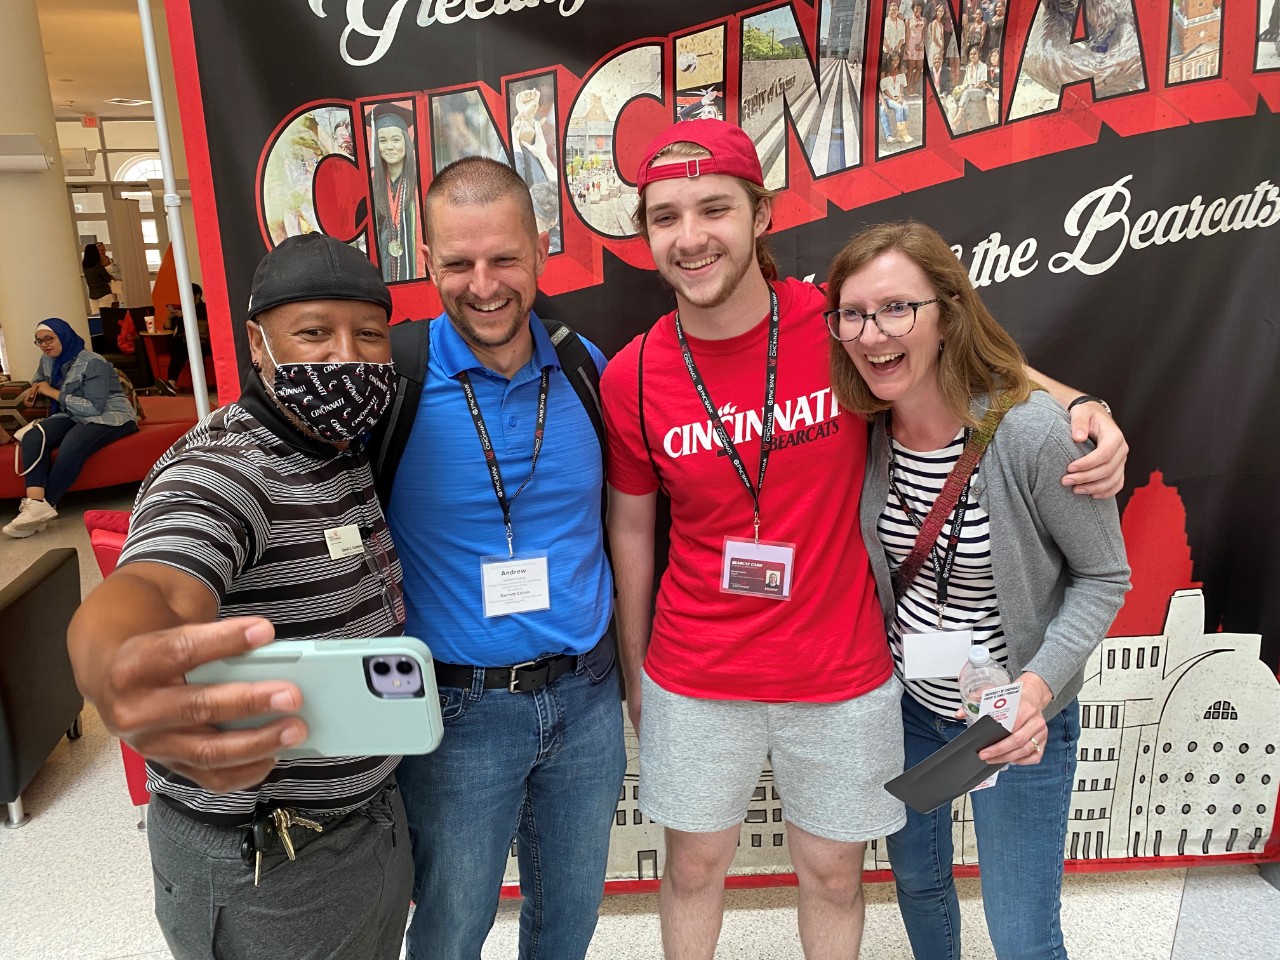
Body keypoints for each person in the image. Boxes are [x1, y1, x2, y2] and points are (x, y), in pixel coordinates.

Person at [601, 119, 1127, 960]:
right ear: (645, 232)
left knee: (836, 875)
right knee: (693, 868)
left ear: (760, 214)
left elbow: (965, 355)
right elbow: (632, 528)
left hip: (842, 669)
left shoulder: (834, 321)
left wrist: (1081, 406)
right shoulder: (630, 374)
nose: (691, 238)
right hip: (695, 670)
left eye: (713, 209)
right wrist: (634, 671)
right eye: (665, 216)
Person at [65, 233, 412, 960]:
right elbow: (154, 583)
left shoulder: (342, 448)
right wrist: (119, 659)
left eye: (369, 334)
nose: (345, 355)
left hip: (368, 830)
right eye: (313, 332)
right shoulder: (227, 469)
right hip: (270, 866)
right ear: (258, 344)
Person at [825, 220, 1131, 960]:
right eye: (854, 315)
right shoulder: (860, 433)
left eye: (898, 308)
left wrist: (1034, 688)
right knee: (920, 891)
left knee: (1021, 931)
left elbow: (1104, 577)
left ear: (948, 315)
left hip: (1014, 715)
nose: (872, 334)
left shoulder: (1032, 434)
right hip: (910, 709)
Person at [387, 156, 626, 960]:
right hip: (457, 715)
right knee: (450, 928)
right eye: (457, 263)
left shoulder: (585, 365)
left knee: (569, 922)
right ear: (427, 262)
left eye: (504, 259)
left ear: (542, 249)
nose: (483, 284)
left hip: (588, 699)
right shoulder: (394, 380)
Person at [4, 318, 139, 538]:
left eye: (50, 339)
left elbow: (94, 408)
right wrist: (37, 387)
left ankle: (44, 506)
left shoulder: (93, 362)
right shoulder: (47, 360)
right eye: (39, 341)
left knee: (73, 443)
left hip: (111, 417)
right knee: (34, 436)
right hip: (72, 413)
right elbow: (41, 378)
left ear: (64, 336)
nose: (45, 345)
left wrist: (51, 392)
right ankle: (36, 502)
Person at [371, 103, 424, 282]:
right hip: (382, 272)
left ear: (406, 142)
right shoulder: (371, 182)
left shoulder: (421, 179)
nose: (389, 147)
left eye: (396, 139)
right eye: (383, 141)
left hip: (416, 271)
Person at [162, 283, 212, 393]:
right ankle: (171, 383)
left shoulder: (204, 309)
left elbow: (205, 325)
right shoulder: (182, 309)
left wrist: (185, 315)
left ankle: (200, 387)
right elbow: (167, 328)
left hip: (201, 342)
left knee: (196, 351)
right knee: (180, 350)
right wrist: (169, 318)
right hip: (183, 343)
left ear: (197, 295)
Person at [880, 53, 913, 145]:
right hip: (888, 98)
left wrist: (900, 96)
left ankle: (901, 133)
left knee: (905, 107)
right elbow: (884, 89)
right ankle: (903, 134)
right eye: (893, 60)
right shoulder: (884, 72)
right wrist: (894, 99)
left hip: (898, 96)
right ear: (889, 60)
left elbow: (902, 85)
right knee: (899, 108)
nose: (895, 62)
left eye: (897, 60)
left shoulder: (900, 71)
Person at [83, 242, 115, 313]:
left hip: (92, 294)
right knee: (106, 315)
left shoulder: (85, 265)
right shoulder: (98, 264)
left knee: (96, 315)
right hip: (104, 293)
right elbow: (106, 277)